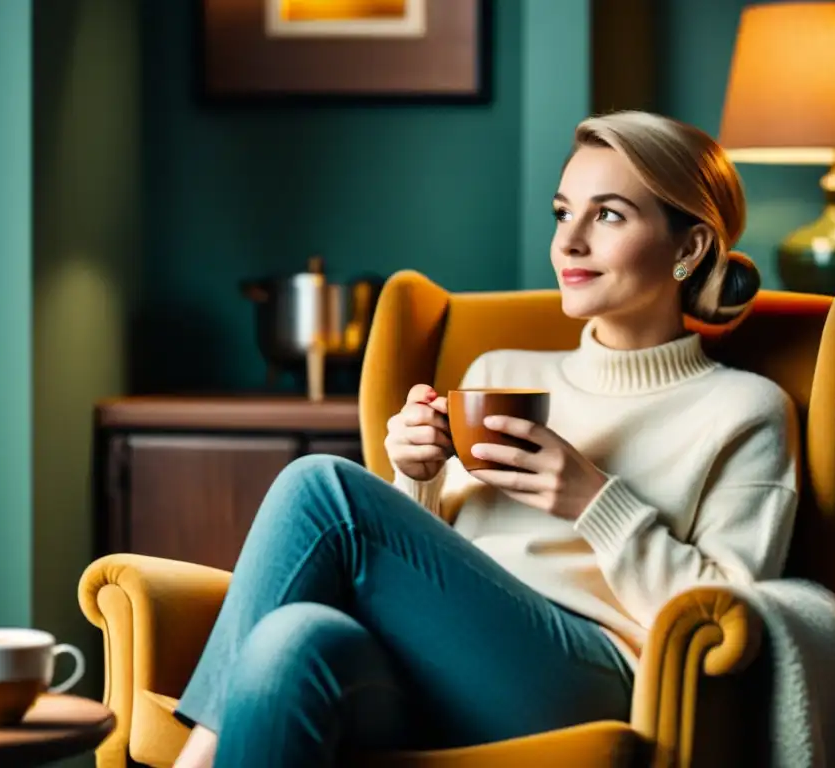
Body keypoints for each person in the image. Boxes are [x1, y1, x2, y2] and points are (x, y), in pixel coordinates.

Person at [171, 111, 800, 768]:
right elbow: (424, 575)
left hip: (587, 678)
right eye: (563, 213)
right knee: (288, 643)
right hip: (441, 665)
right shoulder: (500, 374)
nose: (569, 243)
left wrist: (595, 500)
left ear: (690, 247)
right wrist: (418, 476)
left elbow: (735, 618)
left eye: (608, 215)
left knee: (319, 484)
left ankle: (197, 756)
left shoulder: (743, 410)